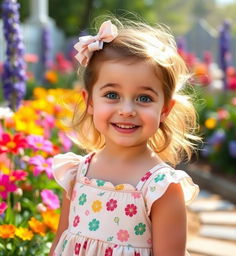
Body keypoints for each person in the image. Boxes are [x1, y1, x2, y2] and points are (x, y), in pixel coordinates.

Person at [49, 17, 200, 256]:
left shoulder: (161, 188)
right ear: (89, 102)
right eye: (112, 94)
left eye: (144, 98)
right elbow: (61, 242)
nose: (127, 110)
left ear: (164, 110)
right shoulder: (77, 172)